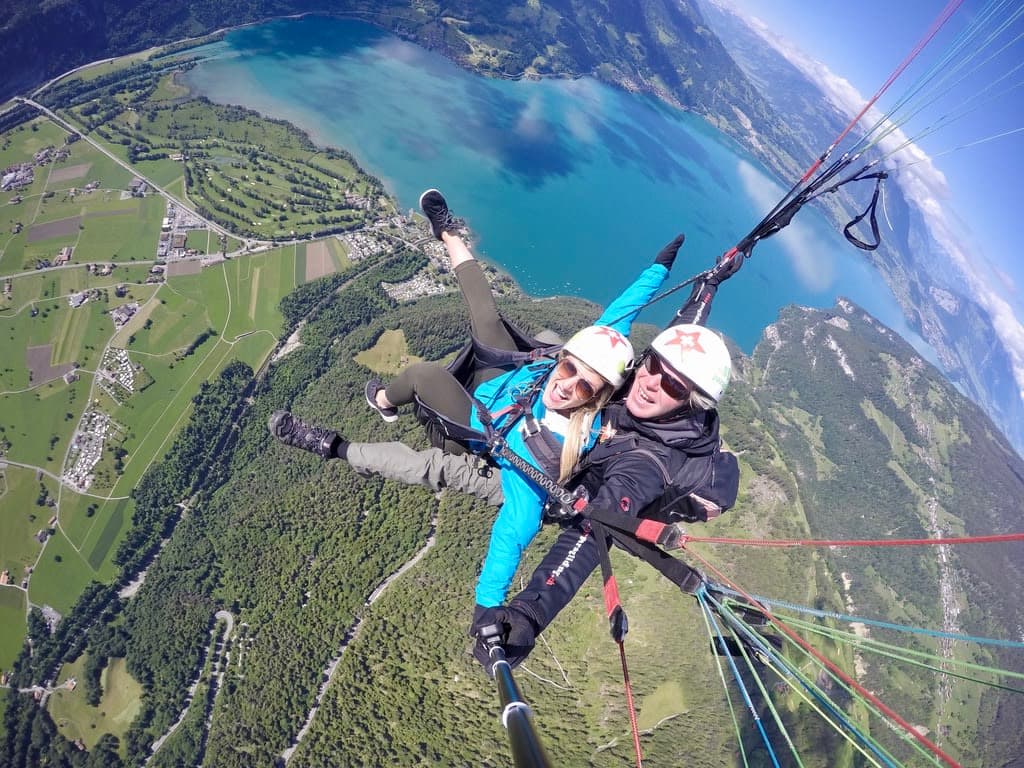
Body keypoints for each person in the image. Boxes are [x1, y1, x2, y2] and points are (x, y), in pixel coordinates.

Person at [270, 188, 684, 611]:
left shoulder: (544, 458)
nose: (566, 385)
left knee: (422, 380)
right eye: (568, 369)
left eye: (582, 387)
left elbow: (510, 536)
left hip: (480, 431)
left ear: (595, 399)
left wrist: (488, 606)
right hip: (508, 390)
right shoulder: (573, 364)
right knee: (496, 319)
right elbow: (621, 312)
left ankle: (366, 418)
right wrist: (660, 268)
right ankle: (447, 233)